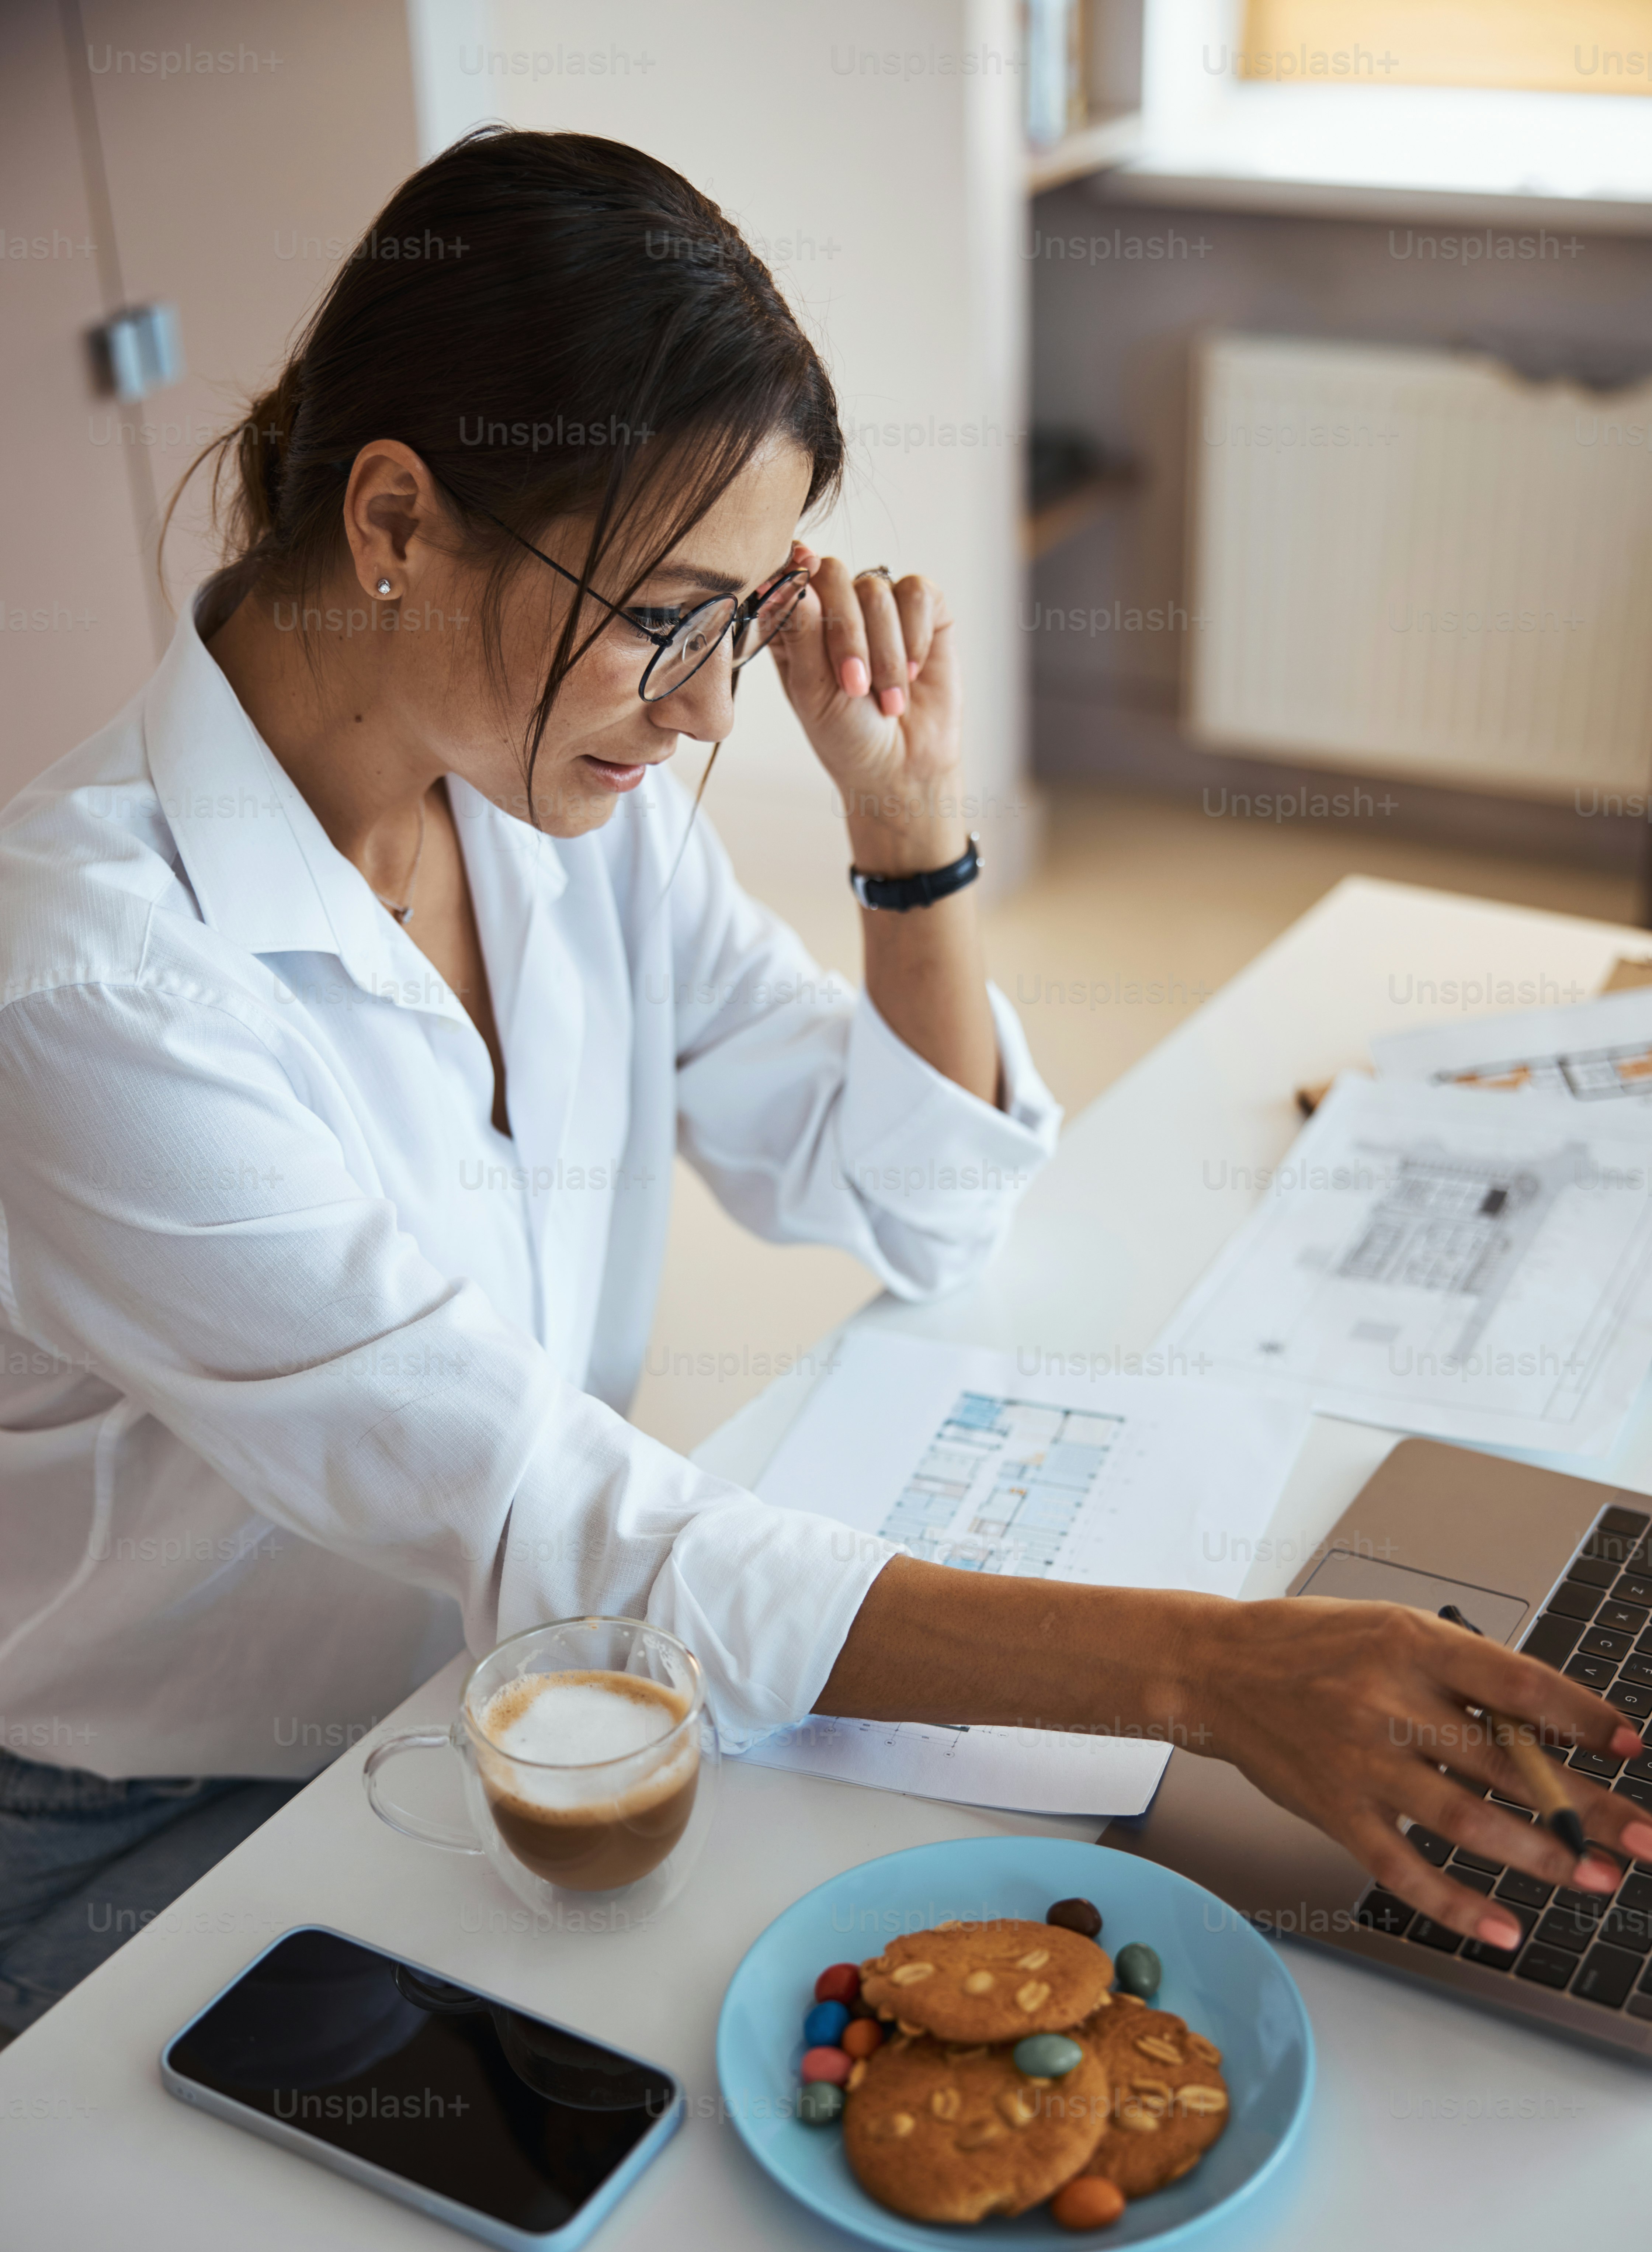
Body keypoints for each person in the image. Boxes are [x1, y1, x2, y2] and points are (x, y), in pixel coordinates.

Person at [0, 130, 1642, 2043]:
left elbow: (920, 1199)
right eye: (660, 617)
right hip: (164, 1821)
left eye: (742, 620)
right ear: (391, 522)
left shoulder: (559, 800)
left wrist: (911, 834)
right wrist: (1208, 1673)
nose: (708, 711)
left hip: (502, 1714)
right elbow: (563, 1523)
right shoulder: (87, 989)